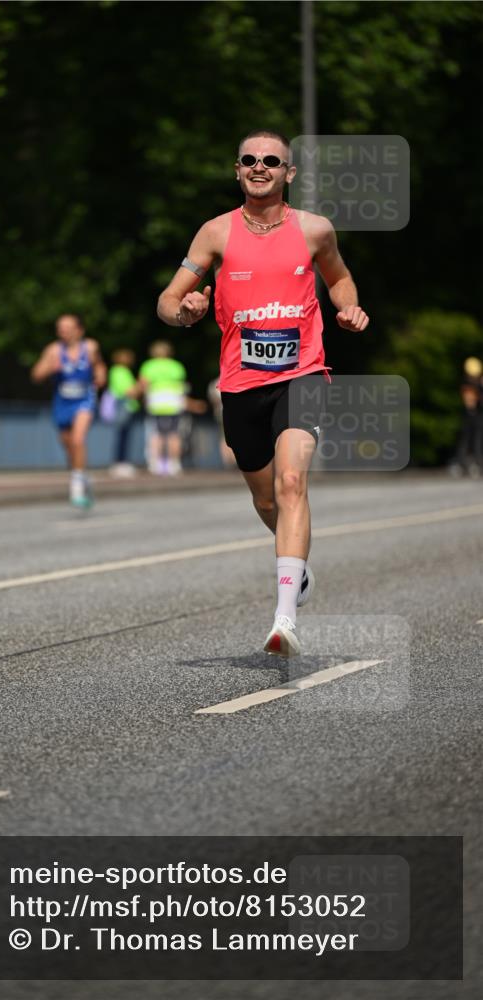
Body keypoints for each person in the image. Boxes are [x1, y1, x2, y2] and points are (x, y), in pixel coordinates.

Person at [157, 129, 369, 656]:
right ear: (237, 170)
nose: (259, 167)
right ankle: (296, 567)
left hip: (302, 374)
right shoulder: (216, 233)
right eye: (249, 160)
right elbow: (167, 298)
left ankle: (284, 619)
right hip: (240, 384)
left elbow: (340, 278)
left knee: (293, 481)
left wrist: (348, 307)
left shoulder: (315, 230)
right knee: (267, 496)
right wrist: (183, 313)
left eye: (271, 161)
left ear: (288, 174)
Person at [31, 313, 106, 507]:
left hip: (84, 399)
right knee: (68, 445)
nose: (62, 331)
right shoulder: (53, 351)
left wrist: (100, 377)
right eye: (60, 327)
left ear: (79, 330)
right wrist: (49, 369)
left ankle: (77, 485)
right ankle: (82, 475)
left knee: (78, 439)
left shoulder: (90, 347)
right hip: (62, 402)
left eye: (67, 327)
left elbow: (99, 366)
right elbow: (36, 375)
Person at [136, 341, 188, 476]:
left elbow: (143, 385)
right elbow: (182, 385)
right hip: (174, 401)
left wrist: (141, 399)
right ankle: (175, 464)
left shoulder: (149, 366)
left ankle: (156, 464)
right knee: (174, 433)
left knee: (156, 433)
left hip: (156, 401)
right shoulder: (176, 366)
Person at [103, 348, 140, 477]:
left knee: (123, 435)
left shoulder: (120, 371)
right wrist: (140, 386)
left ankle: (121, 462)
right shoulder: (120, 371)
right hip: (123, 406)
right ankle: (120, 463)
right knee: (122, 435)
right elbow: (128, 391)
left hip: (126, 406)